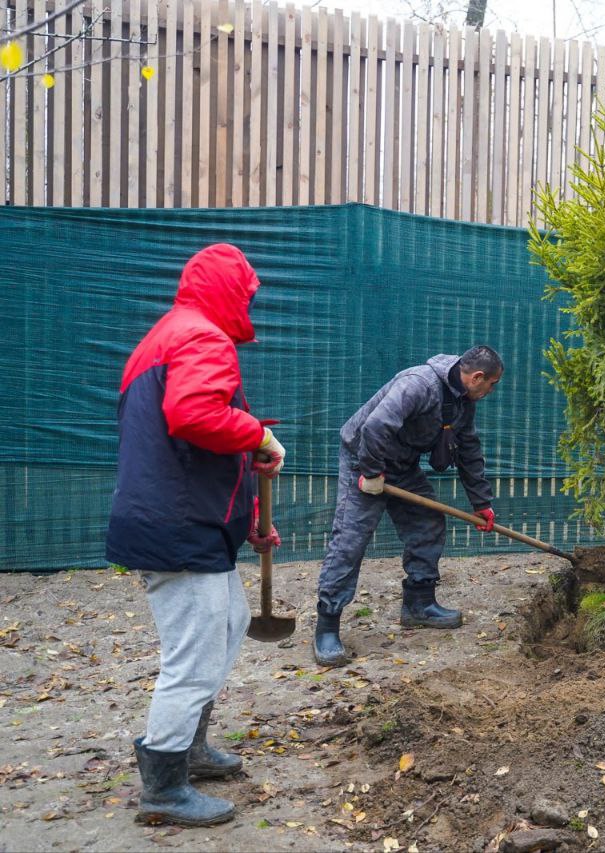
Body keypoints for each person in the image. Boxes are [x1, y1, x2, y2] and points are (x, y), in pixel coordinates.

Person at [106, 244, 285, 826]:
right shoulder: (203, 337)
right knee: (195, 653)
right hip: (176, 525)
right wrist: (255, 434)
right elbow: (195, 416)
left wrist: (245, 510)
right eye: (247, 291)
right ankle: (162, 783)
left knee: (229, 622)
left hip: (180, 519)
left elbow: (177, 440)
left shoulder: (168, 335)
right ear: (228, 289)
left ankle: (191, 748)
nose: (250, 301)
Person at [312, 346, 503, 666]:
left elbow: (468, 448)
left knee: (428, 522)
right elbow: (374, 428)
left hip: (401, 463)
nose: (491, 391)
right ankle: (327, 626)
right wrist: (371, 472)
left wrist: (481, 503)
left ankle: (418, 604)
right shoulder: (418, 385)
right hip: (364, 458)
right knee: (351, 539)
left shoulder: (462, 402)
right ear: (477, 377)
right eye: (492, 384)